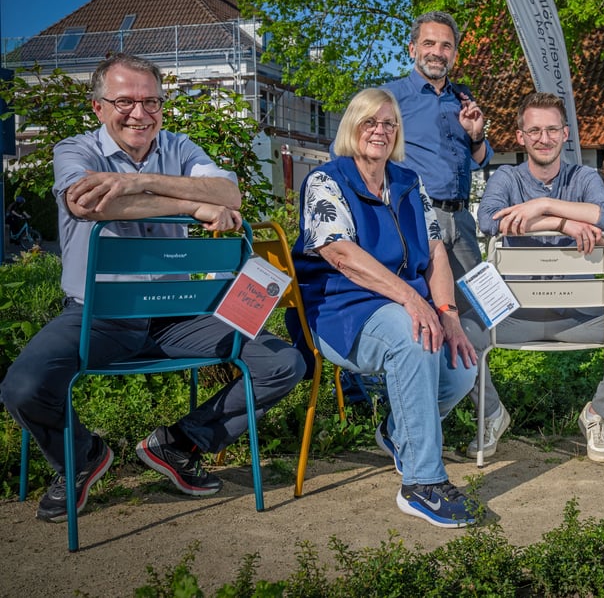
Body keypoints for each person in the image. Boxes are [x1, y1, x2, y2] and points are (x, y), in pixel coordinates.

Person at [0, 54, 305, 523]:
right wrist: (192, 205)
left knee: (283, 363)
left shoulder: (180, 147)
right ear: (98, 107)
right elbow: (87, 203)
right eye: (125, 101)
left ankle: (179, 443)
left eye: (151, 102)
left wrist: (134, 181)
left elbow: (231, 196)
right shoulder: (74, 149)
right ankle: (82, 459)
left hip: (179, 315)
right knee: (22, 386)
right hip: (98, 315)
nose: (140, 113)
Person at [292, 87, 479, 528]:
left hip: (402, 304)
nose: (379, 130)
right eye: (369, 122)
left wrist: (448, 313)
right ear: (352, 127)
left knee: (461, 364)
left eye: (388, 123)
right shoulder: (327, 180)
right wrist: (415, 300)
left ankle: (399, 435)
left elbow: (435, 252)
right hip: (342, 310)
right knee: (413, 334)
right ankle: (422, 484)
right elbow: (340, 254)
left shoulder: (409, 183)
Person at [464, 92, 604, 462]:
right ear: (520, 137)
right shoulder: (506, 177)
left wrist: (543, 205)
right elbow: (489, 220)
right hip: (514, 317)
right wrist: (565, 221)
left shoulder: (584, 176)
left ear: (565, 134)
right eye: (534, 130)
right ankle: (491, 414)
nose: (544, 138)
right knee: (458, 339)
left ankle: (597, 415)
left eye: (552, 129)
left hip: (582, 315)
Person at [382, 11, 493, 294]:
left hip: (462, 218)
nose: (437, 53)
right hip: (415, 216)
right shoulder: (389, 97)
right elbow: (346, 149)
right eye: (429, 44)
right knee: (425, 304)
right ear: (412, 49)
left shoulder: (463, 99)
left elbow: (481, 161)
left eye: (446, 46)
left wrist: (476, 134)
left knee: (479, 305)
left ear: (454, 53)